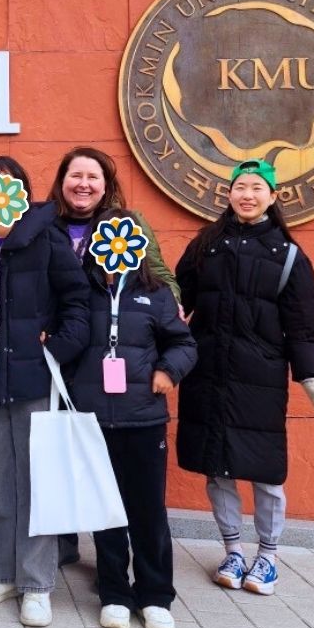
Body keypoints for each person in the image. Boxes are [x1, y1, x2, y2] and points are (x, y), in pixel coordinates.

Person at [175, 159, 314, 596]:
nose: (247, 194)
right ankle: (232, 551)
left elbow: (302, 327)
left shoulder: (289, 256)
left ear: (273, 196)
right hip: (208, 371)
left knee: (264, 471)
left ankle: (268, 555)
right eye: (240, 187)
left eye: (256, 188)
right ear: (228, 194)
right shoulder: (206, 244)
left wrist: (311, 380)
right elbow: (175, 297)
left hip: (259, 377)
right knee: (217, 468)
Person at [0, 157, 89, 627]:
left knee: (36, 483)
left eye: (10, 188)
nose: (0, 196)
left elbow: (76, 302)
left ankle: (36, 583)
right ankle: (2, 571)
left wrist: (60, 344)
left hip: (36, 379)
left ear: (23, 194)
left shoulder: (45, 236)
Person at [67, 208, 197, 628]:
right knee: (106, 511)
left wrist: (168, 371)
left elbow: (184, 344)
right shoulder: (80, 292)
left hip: (143, 419)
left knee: (147, 511)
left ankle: (156, 595)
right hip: (93, 419)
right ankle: (115, 594)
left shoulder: (156, 293)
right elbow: (67, 341)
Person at [48, 145, 179, 567]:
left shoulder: (128, 224)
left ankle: (122, 566)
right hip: (59, 356)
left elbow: (158, 274)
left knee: (114, 471)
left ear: (106, 186)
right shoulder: (44, 222)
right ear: (62, 180)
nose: (83, 184)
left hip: (114, 361)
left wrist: (168, 305)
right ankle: (66, 539)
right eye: (75, 175)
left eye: (93, 177)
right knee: (65, 452)